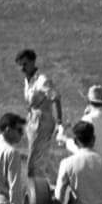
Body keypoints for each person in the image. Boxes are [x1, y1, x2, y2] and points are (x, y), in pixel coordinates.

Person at [16, 49, 63, 179]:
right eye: (20, 65)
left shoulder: (42, 80)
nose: (22, 68)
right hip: (32, 119)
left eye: (24, 64)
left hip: (42, 121)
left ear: (32, 62)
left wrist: (59, 122)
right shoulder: (28, 79)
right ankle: (57, 181)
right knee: (41, 157)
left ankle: (33, 189)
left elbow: (56, 98)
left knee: (34, 159)